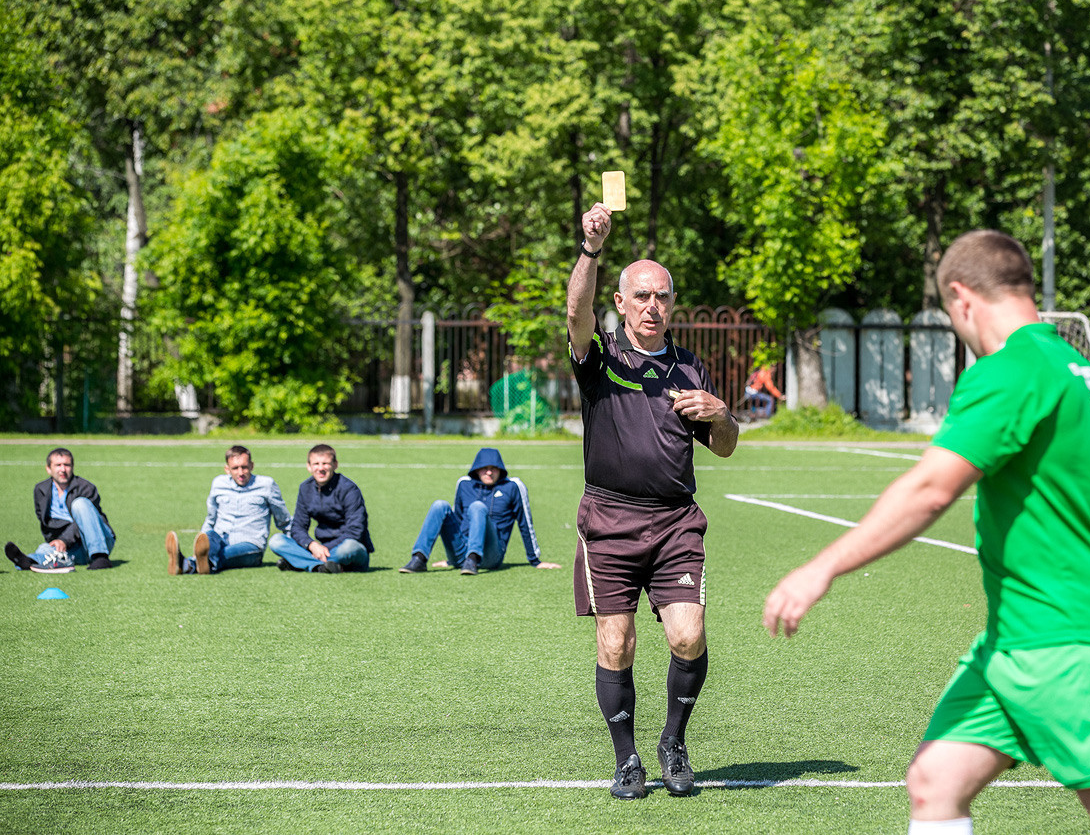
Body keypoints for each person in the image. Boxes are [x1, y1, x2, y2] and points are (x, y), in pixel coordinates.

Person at [763, 230, 1090, 835]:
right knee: (935, 782)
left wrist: (821, 566)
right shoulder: (1074, 365)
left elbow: (931, 489)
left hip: (1061, 638)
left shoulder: (1012, 370)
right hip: (1015, 638)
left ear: (961, 298)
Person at [566, 202, 739, 801]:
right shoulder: (600, 357)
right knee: (616, 643)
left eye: (660, 297)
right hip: (609, 521)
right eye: (640, 296)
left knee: (688, 637)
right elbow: (574, 310)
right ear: (621, 303)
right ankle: (626, 760)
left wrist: (724, 416)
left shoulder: (690, 367)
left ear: (671, 304)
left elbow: (721, 448)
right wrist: (591, 249)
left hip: (674, 526)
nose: (651, 306)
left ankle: (673, 741)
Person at [398, 447, 558, 575]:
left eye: (494, 468)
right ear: (476, 469)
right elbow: (457, 520)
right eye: (484, 468)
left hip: (490, 556)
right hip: (461, 553)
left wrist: (535, 560)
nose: (489, 472)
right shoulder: (464, 484)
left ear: (500, 469)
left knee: (477, 507)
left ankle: (473, 559)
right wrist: (450, 560)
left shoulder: (513, 486)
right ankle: (419, 558)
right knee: (440, 505)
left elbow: (525, 523)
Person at [165, 445, 290, 575]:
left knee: (224, 554)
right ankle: (196, 561)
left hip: (251, 546)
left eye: (244, 467)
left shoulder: (266, 485)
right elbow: (211, 518)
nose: (240, 473)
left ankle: (186, 564)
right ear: (227, 469)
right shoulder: (218, 483)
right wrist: (200, 544)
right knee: (210, 536)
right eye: (235, 468)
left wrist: (292, 548)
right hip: (221, 538)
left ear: (252, 466)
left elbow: (284, 520)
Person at [5, 447, 115, 573]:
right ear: (48, 469)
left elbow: (89, 520)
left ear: (72, 467)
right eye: (58, 465)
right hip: (72, 544)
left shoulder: (86, 488)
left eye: (67, 465)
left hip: (99, 538)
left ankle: (100, 557)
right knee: (45, 549)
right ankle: (29, 561)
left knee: (80, 504)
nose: (63, 469)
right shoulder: (41, 490)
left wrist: (64, 540)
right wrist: (57, 543)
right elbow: (44, 520)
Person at [268, 444, 373, 573]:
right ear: (309, 466)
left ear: (335, 465)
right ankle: (321, 567)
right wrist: (311, 545)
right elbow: (298, 527)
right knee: (276, 541)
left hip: (347, 547)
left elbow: (356, 530)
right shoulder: (305, 488)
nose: (320, 468)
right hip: (319, 549)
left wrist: (323, 549)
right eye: (316, 464)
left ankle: (301, 563)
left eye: (325, 464)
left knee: (348, 548)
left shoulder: (349, 489)